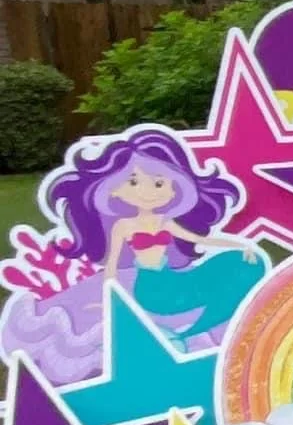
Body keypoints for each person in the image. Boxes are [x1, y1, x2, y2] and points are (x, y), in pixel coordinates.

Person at [44, 127, 266, 347]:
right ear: (114, 190)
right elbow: (111, 265)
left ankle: (206, 328)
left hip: (174, 281)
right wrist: (110, 300)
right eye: (133, 182)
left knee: (237, 264)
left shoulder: (165, 222)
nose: (147, 192)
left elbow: (202, 240)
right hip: (151, 290)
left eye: (159, 183)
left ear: (174, 189)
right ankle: (190, 333)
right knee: (213, 286)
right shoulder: (124, 225)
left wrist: (241, 246)